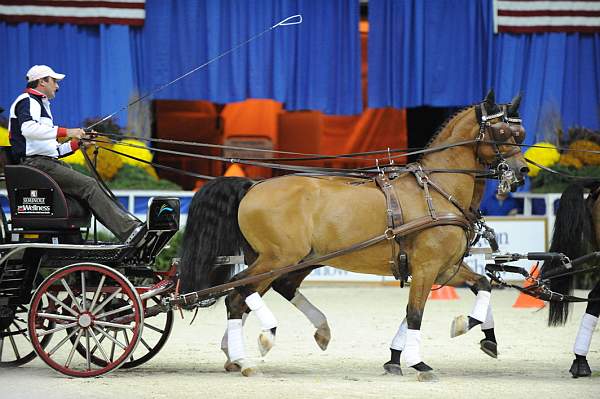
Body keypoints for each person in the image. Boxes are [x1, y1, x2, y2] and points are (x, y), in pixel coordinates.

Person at [7, 64, 146, 244]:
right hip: (37, 165)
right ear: (42, 81)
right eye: (54, 81)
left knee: (85, 188)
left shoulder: (40, 105)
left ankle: (78, 241)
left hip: (45, 163)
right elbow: (28, 129)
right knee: (89, 185)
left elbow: (54, 151)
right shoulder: (27, 100)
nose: (57, 86)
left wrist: (78, 143)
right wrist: (68, 132)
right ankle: (130, 231)